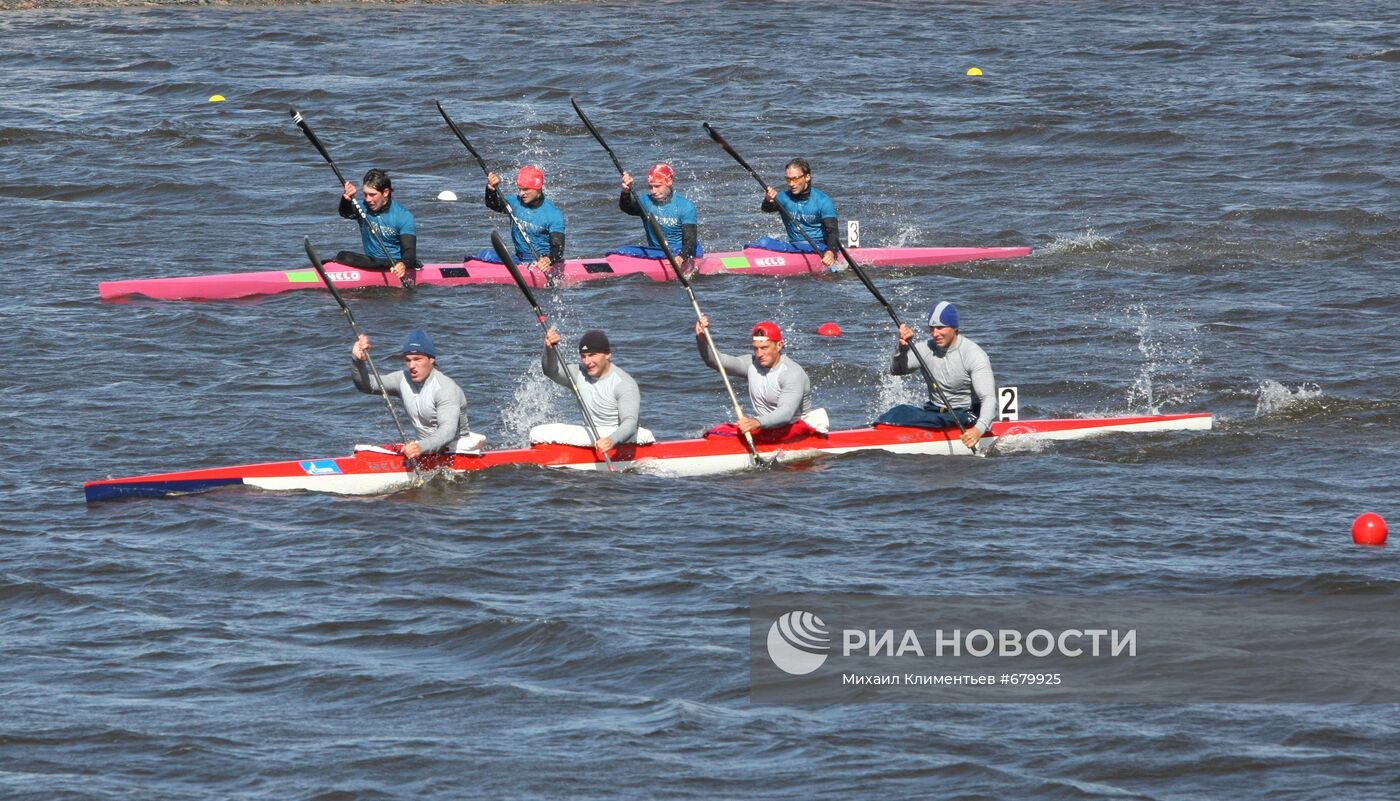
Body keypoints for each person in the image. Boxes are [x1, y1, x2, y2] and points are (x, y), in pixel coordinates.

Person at [878, 301, 996, 450]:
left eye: (940, 327)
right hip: (934, 411)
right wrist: (902, 348)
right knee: (900, 410)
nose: (935, 334)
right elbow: (897, 370)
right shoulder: (926, 348)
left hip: (966, 414)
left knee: (900, 413)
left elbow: (989, 398)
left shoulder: (973, 355)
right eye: (932, 328)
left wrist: (978, 429)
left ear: (955, 328)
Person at [350, 328, 479, 458]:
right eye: (408, 360)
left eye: (417, 359)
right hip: (424, 450)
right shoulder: (402, 380)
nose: (411, 365)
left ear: (431, 359)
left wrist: (420, 447)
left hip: (455, 451)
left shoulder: (445, 389)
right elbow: (367, 386)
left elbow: (447, 431)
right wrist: (358, 361)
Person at [694, 316, 826, 441]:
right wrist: (702, 339)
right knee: (716, 432)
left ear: (779, 345)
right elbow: (717, 362)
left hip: (794, 429)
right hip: (766, 428)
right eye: (755, 349)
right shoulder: (751, 365)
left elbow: (786, 413)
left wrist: (756, 422)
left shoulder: (791, 373)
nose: (759, 354)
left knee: (721, 433)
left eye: (764, 348)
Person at [538, 328, 653, 452]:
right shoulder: (578, 374)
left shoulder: (623, 383)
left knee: (541, 433)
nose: (587, 362)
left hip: (617, 439)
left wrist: (611, 440)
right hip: (594, 438)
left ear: (608, 354)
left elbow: (630, 423)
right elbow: (551, 371)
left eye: (592, 355)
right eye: (583, 356)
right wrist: (549, 349)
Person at [335, 168, 420, 285]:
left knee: (344, 256)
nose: (368, 199)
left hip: (394, 266)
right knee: (343, 255)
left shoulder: (403, 216)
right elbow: (345, 213)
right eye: (365, 194)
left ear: (385, 192)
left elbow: (409, 251)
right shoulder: (362, 207)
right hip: (370, 263)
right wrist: (346, 199)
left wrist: (403, 265)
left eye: (372, 195)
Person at [760, 157, 839, 268]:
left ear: (807, 177)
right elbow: (766, 209)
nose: (791, 184)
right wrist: (767, 200)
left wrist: (831, 252)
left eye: (795, 179)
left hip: (818, 247)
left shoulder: (823, 201)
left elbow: (833, 232)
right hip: (794, 247)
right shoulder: (783, 197)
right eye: (788, 179)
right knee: (763, 242)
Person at [484, 165, 566, 272]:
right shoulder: (515, 203)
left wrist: (547, 260)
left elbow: (558, 248)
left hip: (540, 263)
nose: (521, 193)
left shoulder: (553, 214)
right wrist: (491, 189)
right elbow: (492, 204)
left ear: (538, 188)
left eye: (526, 189)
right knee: (485, 254)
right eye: (520, 189)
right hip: (519, 260)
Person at [618, 163, 701, 263]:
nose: (653, 191)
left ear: (668, 183)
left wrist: (681, 258)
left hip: (678, 252)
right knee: (621, 251)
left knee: (689, 248)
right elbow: (627, 208)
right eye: (651, 187)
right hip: (655, 252)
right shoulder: (645, 201)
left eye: (657, 186)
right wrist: (625, 192)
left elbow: (690, 242)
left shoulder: (685, 206)